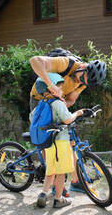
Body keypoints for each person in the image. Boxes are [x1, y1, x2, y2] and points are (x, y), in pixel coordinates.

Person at [29, 55, 107, 194]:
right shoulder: (66, 64)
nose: (81, 82)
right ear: (83, 67)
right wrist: (51, 85)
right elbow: (35, 61)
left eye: (85, 82)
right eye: (82, 78)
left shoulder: (83, 82)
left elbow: (71, 99)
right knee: (48, 143)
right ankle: (54, 186)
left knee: (69, 142)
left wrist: (64, 104)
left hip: (58, 103)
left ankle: (76, 181)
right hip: (40, 102)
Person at [30, 73, 86, 208]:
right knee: (61, 172)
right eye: (60, 88)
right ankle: (58, 199)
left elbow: (32, 118)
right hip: (61, 141)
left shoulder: (41, 103)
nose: (62, 90)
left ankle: (43, 193)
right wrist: (78, 113)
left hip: (48, 142)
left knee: (51, 169)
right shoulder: (57, 103)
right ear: (51, 90)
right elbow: (67, 119)